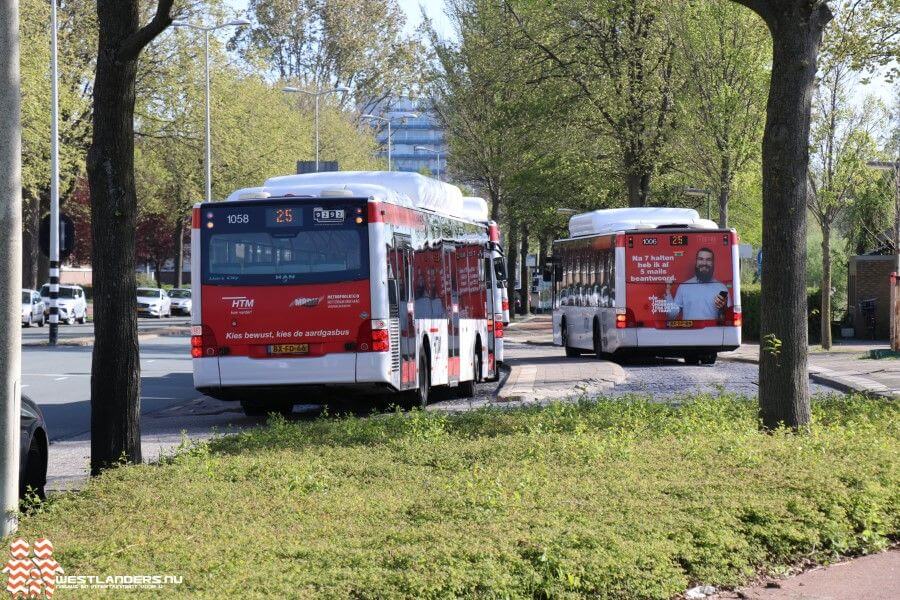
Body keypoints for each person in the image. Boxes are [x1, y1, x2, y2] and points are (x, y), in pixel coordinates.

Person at [665, 248, 730, 320]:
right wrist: (668, 292)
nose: (704, 263)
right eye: (701, 259)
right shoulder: (684, 287)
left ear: (713, 263)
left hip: (712, 331)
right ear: (696, 262)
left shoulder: (722, 288)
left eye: (708, 260)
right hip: (689, 331)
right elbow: (671, 315)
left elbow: (727, 319)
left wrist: (723, 309)